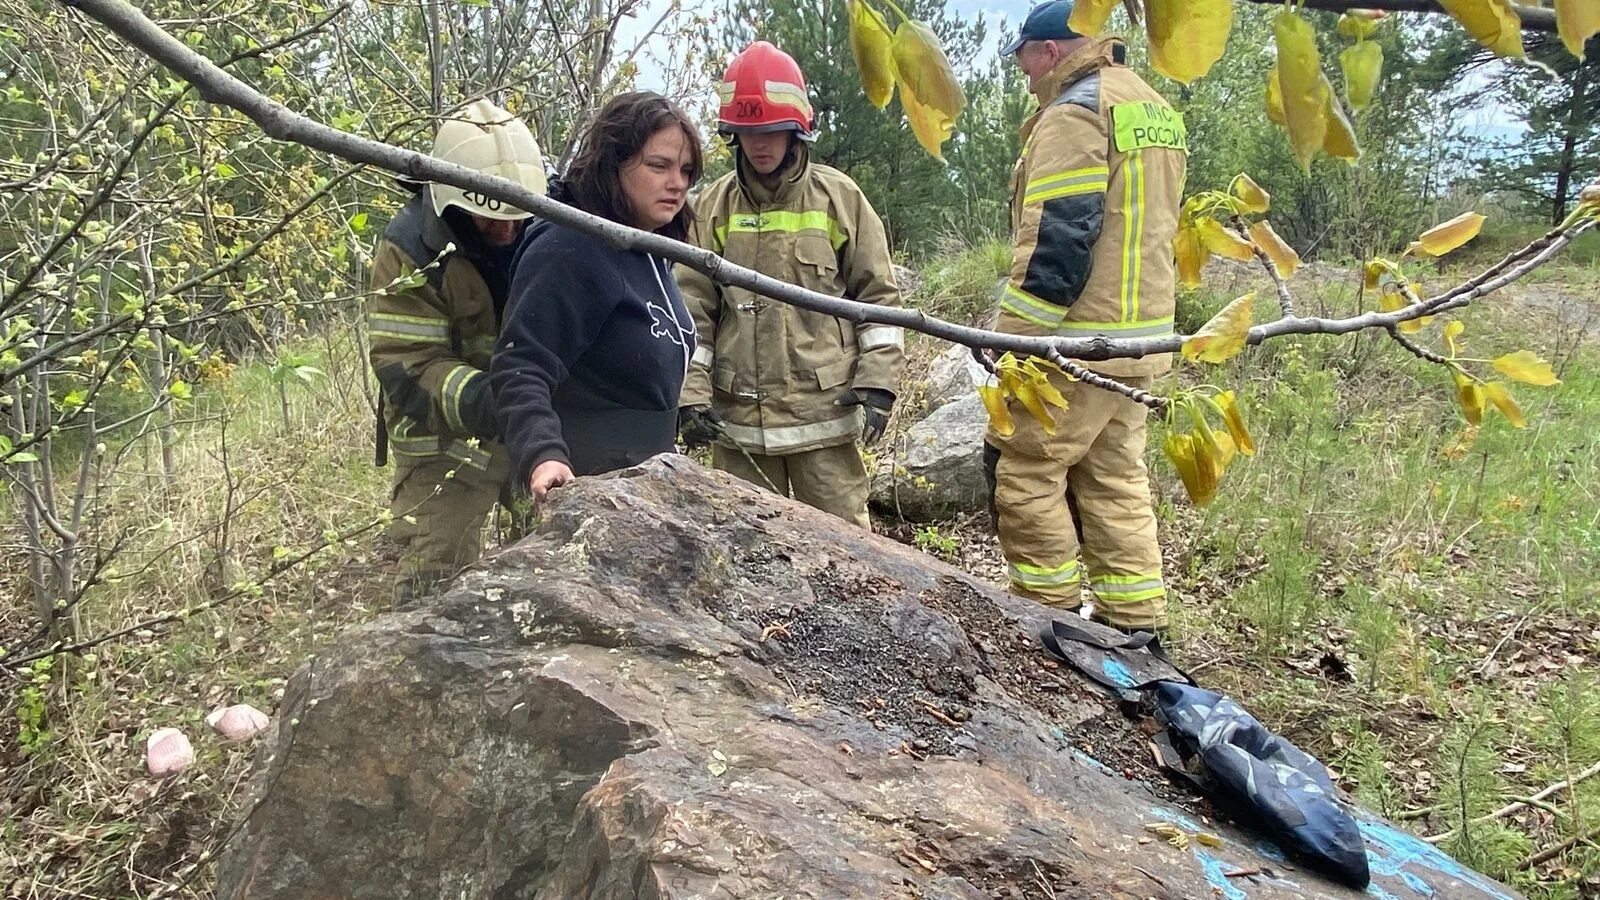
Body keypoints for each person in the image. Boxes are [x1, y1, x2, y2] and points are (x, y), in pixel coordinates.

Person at [986, 0, 1187, 633]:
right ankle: (1136, 628)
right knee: (1115, 479)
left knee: (1024, 470)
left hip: (1076, 343)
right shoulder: (1152, 107)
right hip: (1143, 339)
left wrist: (1010, 342)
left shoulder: (1074, 112)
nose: (1021, 72)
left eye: (1021, 57)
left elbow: (1059, 238)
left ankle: (1048, 620)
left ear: (1048, 50)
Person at [676, 41, 905, 530]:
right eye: (748, 132)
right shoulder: (713, 207)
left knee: (847, 553)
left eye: (772, 131)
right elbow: (691, 310)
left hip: (822, 417)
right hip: (739, 425)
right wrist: (691, 394)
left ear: (796, 130)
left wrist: (878, 383)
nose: (761, 144)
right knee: (750, 551)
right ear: (733, 135)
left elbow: (879, 299)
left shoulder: (839, 199)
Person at [366, 98, 547, 604]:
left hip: (527, 433)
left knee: (542, 574)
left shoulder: (542, 227)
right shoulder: (408, 250)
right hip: (441, 446)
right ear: (450, 201)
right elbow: (407, 364)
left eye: (517, 218)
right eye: (491, 220)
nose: (507, 232)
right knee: (435, 580)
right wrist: (499, 401)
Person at [492, 91, 702, 503]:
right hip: (587, 484)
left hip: (648, 482)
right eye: (659, 166)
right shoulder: (570, 246)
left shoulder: (653, 250)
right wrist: (543, 454)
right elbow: (520, 365)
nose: (677, 183)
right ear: (614, 164)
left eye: (686, 170)